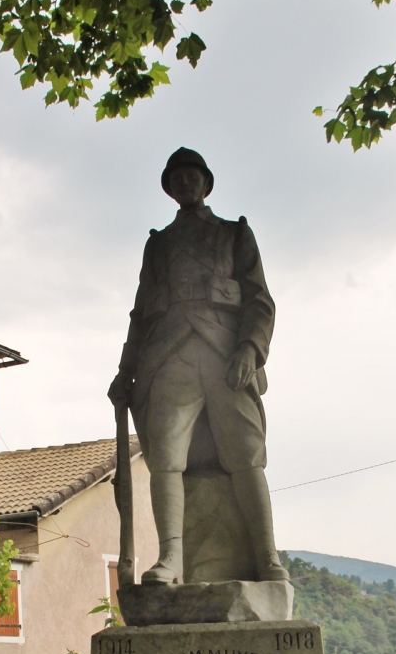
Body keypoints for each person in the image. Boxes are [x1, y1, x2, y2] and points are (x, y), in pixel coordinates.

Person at [109, 147, 289, 585]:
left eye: (194, 176)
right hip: (170, 354)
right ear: (170, 189)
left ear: (206, 184)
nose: (186, 183)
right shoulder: (159, 244)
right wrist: (125, 369)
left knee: (246, 455)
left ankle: (267, 559)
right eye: (178, 178)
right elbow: (140, 313)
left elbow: (259, 300)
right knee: (166, 459)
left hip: (226, 354)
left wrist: (249, 349)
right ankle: (172, 561)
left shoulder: (233, 234)